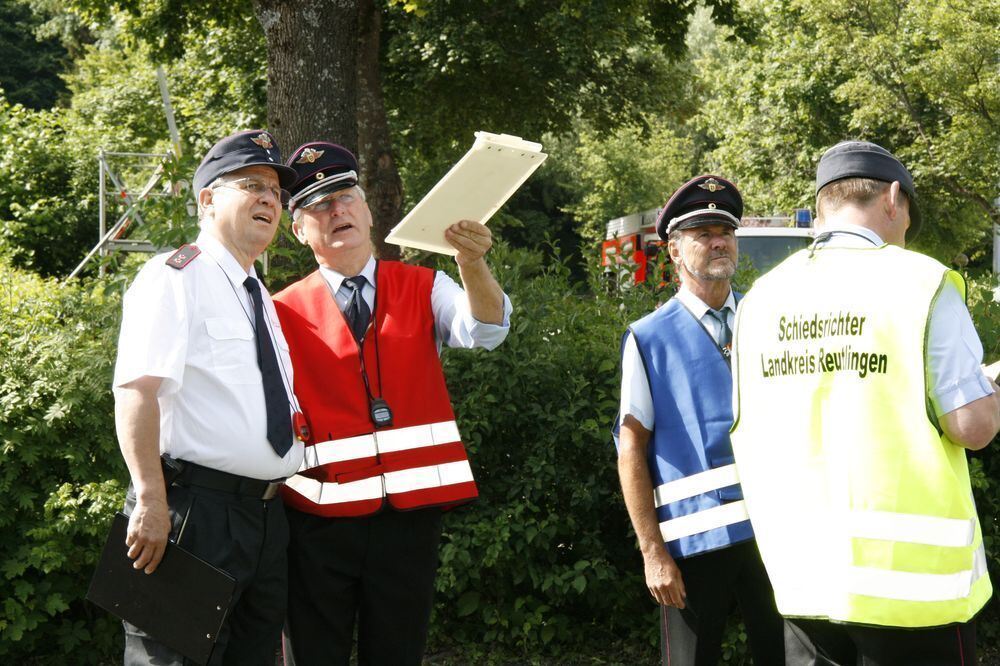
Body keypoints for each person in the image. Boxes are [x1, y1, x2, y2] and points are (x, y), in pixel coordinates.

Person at [730, 140, 1000, 665]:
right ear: (893, 199)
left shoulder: (761, 299)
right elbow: (972, 425)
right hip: (915, 598)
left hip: (804, 582)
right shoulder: (921, 283)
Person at [272, 142, 512, 666]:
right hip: (316, 523)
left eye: (346, 196)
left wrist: (472, 263)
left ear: (367, 209)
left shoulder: (426, 285)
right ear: (299, 229)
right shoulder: (279, 311)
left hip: (408, 523)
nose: (338, 211)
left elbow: (487, 330)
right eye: (319, 205)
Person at [112, 130, 305, 665]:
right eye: (252, 185)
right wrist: (150, 498)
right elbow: (136, 391)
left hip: (265, 519)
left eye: (275, 191)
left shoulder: (258, 295)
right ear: (207, 199)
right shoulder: (174, 276)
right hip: (193, 513)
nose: (270, 198)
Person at [614, 175, 784, 665]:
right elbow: (630, 448)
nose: (717, 242)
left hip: (774, 531)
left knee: (787, 657)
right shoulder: (648, 338)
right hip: (693, 542)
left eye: (725, 232)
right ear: (673, 250)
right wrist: (652, 552)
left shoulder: (767, 318)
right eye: (702, 233)